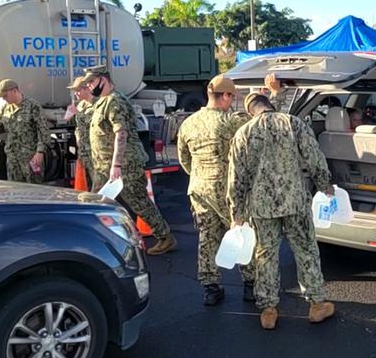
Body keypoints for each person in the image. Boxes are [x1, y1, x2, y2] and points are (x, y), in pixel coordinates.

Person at [227, 92, 336, 330]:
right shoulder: (293, 123)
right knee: (306, 249)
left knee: (265, 254)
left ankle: (268, 310)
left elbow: (236, 177)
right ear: (270, 105)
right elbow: (314, 158)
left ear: (250, 111)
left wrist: (236, 212)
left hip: (262, 206)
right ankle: (317, 305)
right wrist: (325, 185)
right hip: (295, 201)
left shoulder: (243, 133)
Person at [177, 75, 255, 306]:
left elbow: (184, 159)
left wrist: (200, 175)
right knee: (240, 233)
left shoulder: (188, 123)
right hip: (227, 189)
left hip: (198, 188)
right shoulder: (230, 122)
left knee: (207, 238)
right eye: (231, 96)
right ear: (225, 96)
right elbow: (262, 123)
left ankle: (211, 288)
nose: (232, 102)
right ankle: (251, 284)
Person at [84, 65, 177, 255]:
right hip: (104, 166)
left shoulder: (115, 102)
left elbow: (121, 134)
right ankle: (97, 244)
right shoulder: (102, 102)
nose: (90, 86)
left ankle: (165, 237)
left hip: (125, 165)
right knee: (96, 203)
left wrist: (116, 165)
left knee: (139, 202)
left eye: (92, 82)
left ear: (104, 80)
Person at [0, 79, 51, 183]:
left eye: (5, 95)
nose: (3, 99)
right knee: (15, 190)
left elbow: (43, 130)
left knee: (34, 190)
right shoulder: (5, 109)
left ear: (14, 91)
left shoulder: (32, 106)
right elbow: (5, 128)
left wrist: (40, 152)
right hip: (13, 159)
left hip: (30, 158)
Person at [66, 76, 97, 188]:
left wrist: (78, 114)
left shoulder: (96, 104)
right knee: (86, 184)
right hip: (83, 152)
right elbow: (79, 126)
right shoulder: (81, 105)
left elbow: (94, 123)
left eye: (78, 91)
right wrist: (70, 116)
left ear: (87, 89)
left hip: (94, 152)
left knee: (97, 184)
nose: (76, 94)